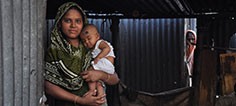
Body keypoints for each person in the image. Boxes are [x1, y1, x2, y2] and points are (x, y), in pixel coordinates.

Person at [44, 2, 120, 106]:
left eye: (78, 21)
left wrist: (100, 75)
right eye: (67, 20)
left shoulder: (92, 47)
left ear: (83, 24)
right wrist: (80, 100)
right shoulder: (54, 51)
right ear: (59, 23)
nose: (73, 25)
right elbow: (48, 86)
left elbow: (115, 79)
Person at [80, 24, 115, 97]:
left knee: (89, 72)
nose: (86, 42)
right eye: (84, 41)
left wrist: (98, 57)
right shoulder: (92, 48)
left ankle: (92, 90)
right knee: (99, 82)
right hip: (106, 68)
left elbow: (107, 49)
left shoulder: (99, 43)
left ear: (97, 36)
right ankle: (101, 95)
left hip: (105, 63)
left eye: (89, 38)